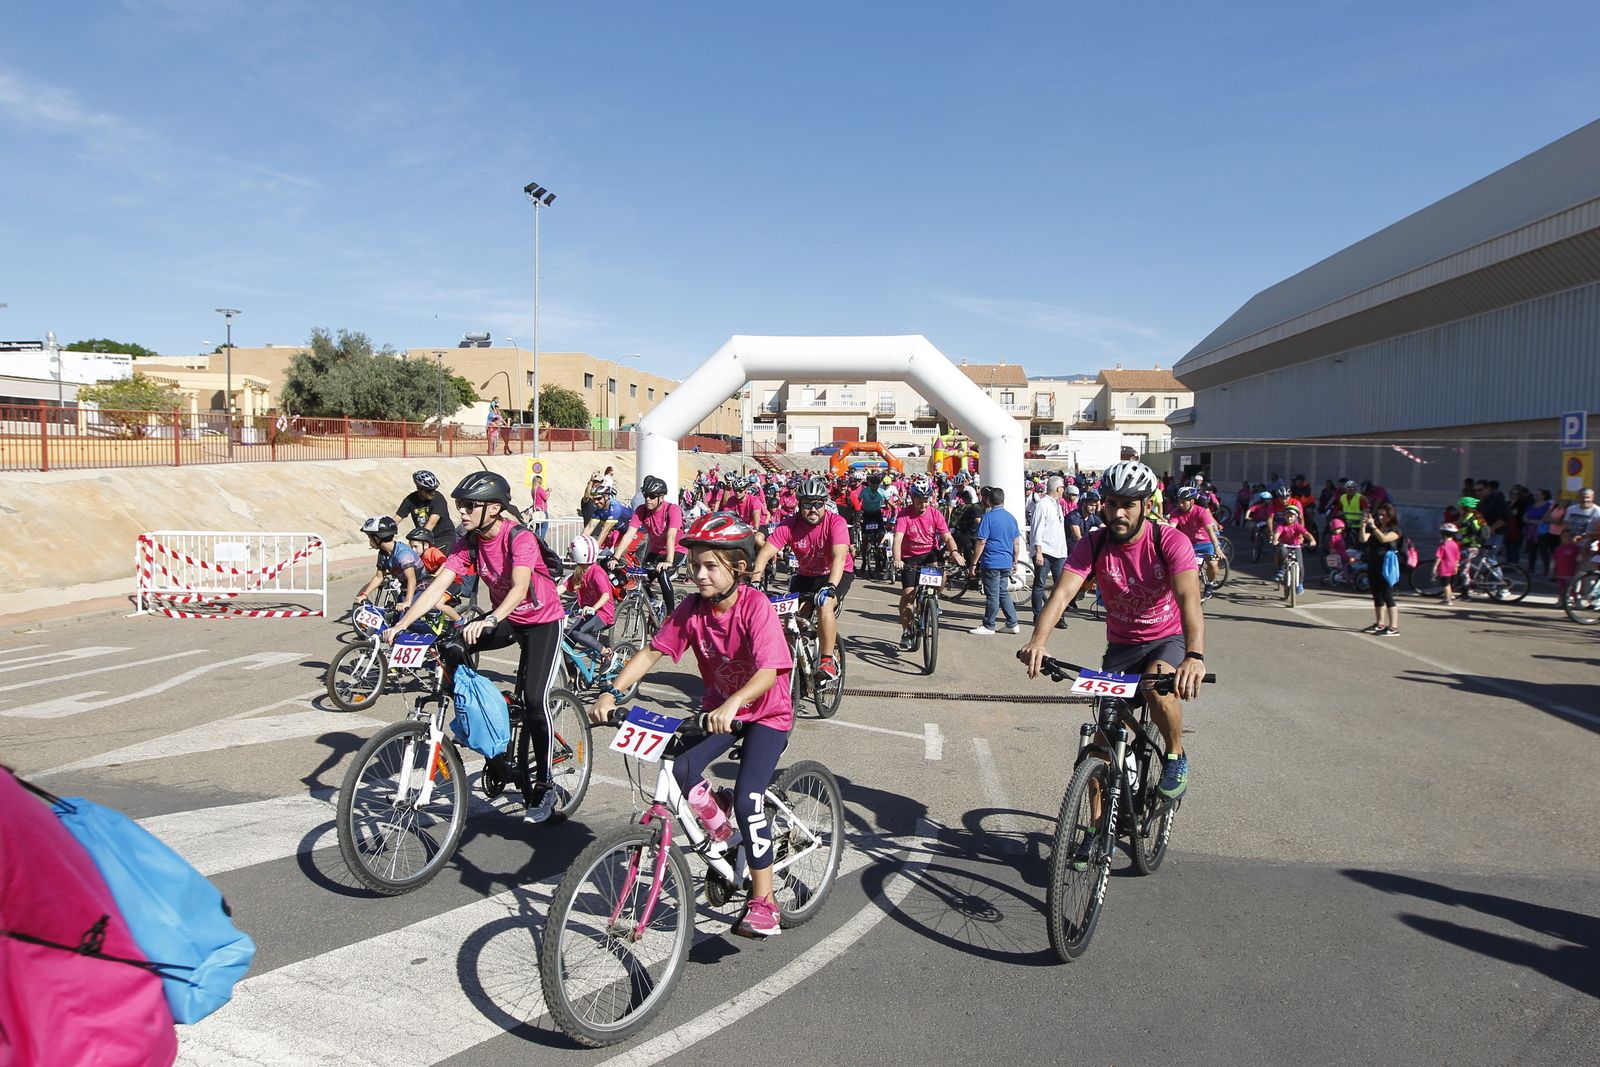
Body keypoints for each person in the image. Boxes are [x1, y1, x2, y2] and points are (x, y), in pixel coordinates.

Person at [590, 513, 795, 938]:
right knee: (680, 769)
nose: (698, 574)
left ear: (738, 567)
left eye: (709, 566)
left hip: (764, 715)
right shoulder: (691, 609)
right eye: (694, 565)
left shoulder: (754, 606)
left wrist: (736, 702)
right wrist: (613, 693)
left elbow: (769, 672)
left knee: (748, 798)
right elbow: (651, 652)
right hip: (717, 711)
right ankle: (725, 833)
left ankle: (765, 900)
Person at [1018, 459, 1205, 807]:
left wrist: (1194, 656)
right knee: (1099, 745)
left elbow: (1189, 599)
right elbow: (1061, 595)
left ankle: (1176, 756)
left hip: (1166, 639)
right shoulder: (1094, 544)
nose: (1119, 513)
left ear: (1146, 506)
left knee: (1156, 687)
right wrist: (1038, 642)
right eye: (1112, 503)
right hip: (1121, 647)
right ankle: (1094, 834)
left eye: (1128, 505)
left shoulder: (1170, 541)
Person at [385, 472, 566, 823]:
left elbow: (519, 588)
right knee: (452, 646)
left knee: (534, 700)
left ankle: (545, 786)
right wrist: (401, 625)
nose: (462, 512)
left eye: (469, 506)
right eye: (460, 505)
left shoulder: (519, 537)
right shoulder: (468, 542)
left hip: (542, 620)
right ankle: (490, 722)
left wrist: (490, 619)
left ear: (494, 508)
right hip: (505, 618)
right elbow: (438, 586)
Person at [752, 475, 852, 680]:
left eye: (818, 504)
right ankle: (798, 664)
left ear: (825, 504)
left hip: (835, 574)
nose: (813, 509)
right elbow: (764, 555)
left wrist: (831, 586)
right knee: (792, 621)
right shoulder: (789, 525)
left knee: (824, 604)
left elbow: (839, 557)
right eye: (807, 504)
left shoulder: (836, 522)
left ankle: (827, 661)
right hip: (806, 575)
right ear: (799, 505)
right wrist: (754, 583)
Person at [891, 477, 965, 651]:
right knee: (908, 596)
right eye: (919, 501)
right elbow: (898, 539)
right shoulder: (904, 515)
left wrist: (954, 552)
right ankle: (907, 631)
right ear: (912, 498)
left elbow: (947, 536)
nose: (923, 505)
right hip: (910, 557)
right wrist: (897, 559)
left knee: (942, 575)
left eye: (926, 501)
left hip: (929, 554)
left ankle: (934, 598)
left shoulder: (935, 513)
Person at [622, 475, 684, 611]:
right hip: (656, 551)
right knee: (640, 577)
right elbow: (629, 534)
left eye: (652, 496)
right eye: (646, 496)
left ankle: (670, 614)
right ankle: (654, 605)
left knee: (662, 573)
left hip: (676, 550)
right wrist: (615, 557)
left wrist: (668, 562)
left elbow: (671, 536)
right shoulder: (642, 510)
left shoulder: (672, 510)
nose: (647, 499)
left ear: (661, 498)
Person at [970, 487, 1022, 635]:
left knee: (992, 594)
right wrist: (1015, 560)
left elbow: (981, 541)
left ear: (988, 500)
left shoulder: (988, 517)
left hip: (992, 560)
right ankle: (1012, 623)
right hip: (1006, 561)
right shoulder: (1011, 518)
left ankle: (989, 624)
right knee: (1003, 592)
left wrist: (974, 563)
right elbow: (1016, 542)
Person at [564, 533, 616, 659]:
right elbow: (563, 587)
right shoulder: (579, 571)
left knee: (577, 633)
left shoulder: (597, 572)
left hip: (603, 615)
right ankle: (573, 677)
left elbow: (606, 596)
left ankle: (606, 652)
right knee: (567, 643)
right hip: (587, 614)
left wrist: (593, 607)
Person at [354, 516, 421, 614]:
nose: (370, 541)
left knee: (407, 621)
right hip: (406, 589)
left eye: (370, 537)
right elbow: (378, 577)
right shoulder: (383, 553)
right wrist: (365, 594)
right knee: (394, 622)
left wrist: (407, 602)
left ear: (376, 538)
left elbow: (412, 579)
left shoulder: (403, 554)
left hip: (421, 588)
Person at [1356, 501, 1403, 636]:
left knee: (1388, 595)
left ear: (1390, 516)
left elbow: (1384, 539)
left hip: (1386, 566)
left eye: (1384, 515)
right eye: (1379, 515)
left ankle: (1393, 627)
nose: (1381, 517)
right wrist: (1363, 525)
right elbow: (1363, 539)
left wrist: (1373, 526)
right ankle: (1379, 623)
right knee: (1377, 595)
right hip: (1373, 564)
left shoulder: (1395, 530)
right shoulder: (1375, 528)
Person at [1030, 476, 1069, 623]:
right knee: (1040, 584)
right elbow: (1037, 530)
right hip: (1045, 551)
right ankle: (1038, 615)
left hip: (1059, 552)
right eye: (1063, 487)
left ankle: (1059, 616)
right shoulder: (1042, 504)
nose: (1064, 490)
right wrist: (1038, 551)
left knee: (1059, 586)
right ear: (1058, 489)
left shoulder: (1057, 505)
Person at [405, 528, 462, 622]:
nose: (413, 550)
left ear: (426, 545)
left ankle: (460, 620)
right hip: (437, 582)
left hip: (453, 582)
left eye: (415, 546)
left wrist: (435, 575)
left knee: (438, 604)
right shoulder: (419, 557)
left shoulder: (433, 552)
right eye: (411, 547)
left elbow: (445, 563)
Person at [1170, 486, 1223, 586]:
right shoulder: (1176, 512)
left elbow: (1210, 531)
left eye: (1184, 502)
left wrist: (1217, 548)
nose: (1180, 505)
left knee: (1213, 565)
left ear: (1192, 501)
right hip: (1190, 545)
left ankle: (1210, 583)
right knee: (1191, 572)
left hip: (1207, 543)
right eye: (1179, 501)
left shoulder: (1201, 511)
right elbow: (1172, 528)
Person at [1269, 505, 1317, 594]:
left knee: (1301, 566)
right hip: (1285, 545)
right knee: (1282, 551)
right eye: (1287, 516)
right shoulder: (1282, 525)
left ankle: (1300, 584)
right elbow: (1277, 533)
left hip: (1296, 546)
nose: (1289, 518)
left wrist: (1312, 540)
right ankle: (1282, 570)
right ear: (1284, 517)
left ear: (1295, 517)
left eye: (1291, 516)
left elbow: (1306, 534)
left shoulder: (1297, 526)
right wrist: (1275, 540)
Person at [396, 470, 453, 544]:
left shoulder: (438, 498)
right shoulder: (411, 499)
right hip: (425, 538)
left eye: (434, 489)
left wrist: (419, 542)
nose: (432, 492)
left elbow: (431, 523)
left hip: (443, 538)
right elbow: (396, 519)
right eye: (428, 490)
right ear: (419, 489)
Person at [1435, 524, 1462, 605]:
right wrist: (1456, 566)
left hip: (1444, 566)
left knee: (1445, 584)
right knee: (1448, 582)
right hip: (1452, 565)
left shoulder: (1443, 544)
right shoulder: (1455, 544)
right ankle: (1449, 596)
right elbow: (1457, 557)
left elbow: (1439, 556)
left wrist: (1435, 566)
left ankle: (1447, 600)